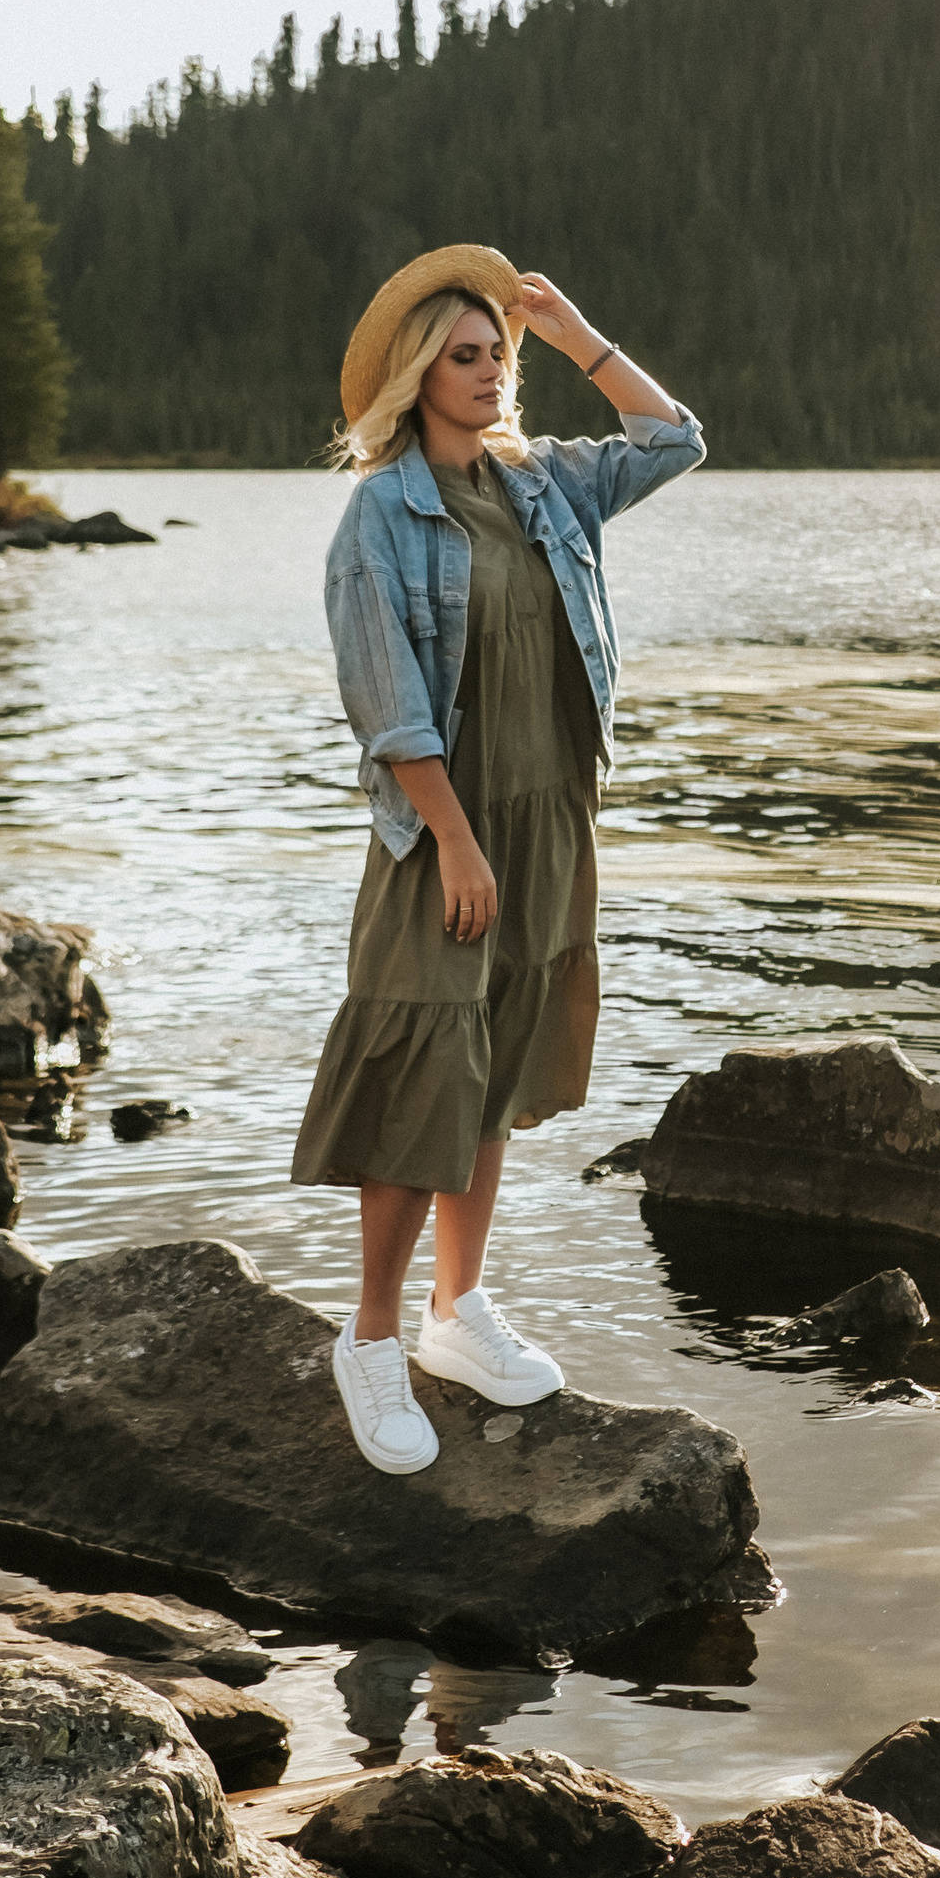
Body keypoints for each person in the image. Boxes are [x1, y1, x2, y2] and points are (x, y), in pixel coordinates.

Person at [293, 245, 702, 1473]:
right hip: (446, 836)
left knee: (501, 1058)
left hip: (552, 818)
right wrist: (459, 845)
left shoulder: (543, 486)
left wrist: (576, 331)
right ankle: (368, 1338)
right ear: (417, 377)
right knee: (427, 1066)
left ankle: (456, 1312)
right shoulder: (382, 514)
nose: (484, 374)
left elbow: (674, 437)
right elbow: (390, 705)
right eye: (461, 357)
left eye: (495, 355)